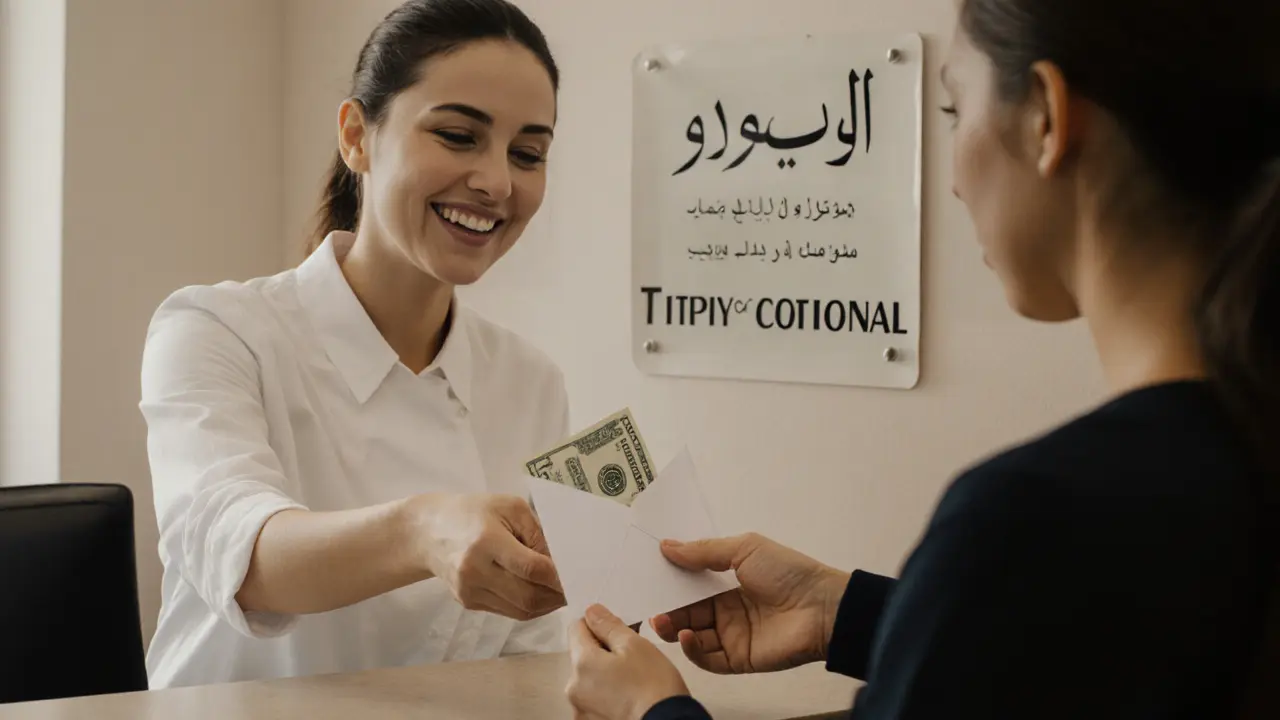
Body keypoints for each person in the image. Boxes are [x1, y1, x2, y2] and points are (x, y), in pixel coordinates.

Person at [565, 0, 1280, 717]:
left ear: (1045, 117)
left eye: (952, 110)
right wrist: (850, 613)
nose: (955, 182)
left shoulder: (1028, 518)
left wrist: (651, 710)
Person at [139, 0, 572, 689]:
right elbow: (241, 557)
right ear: (356, 137)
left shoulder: (530, 381)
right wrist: (422, 531)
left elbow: (531, 652)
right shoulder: (215, 332)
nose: (496, 182)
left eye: (528, 154)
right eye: (459, 135)